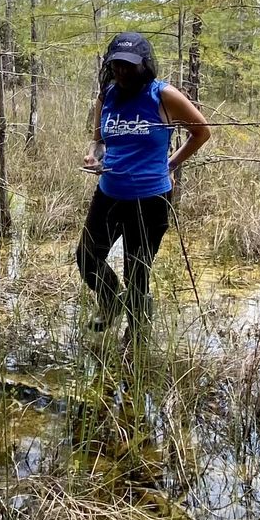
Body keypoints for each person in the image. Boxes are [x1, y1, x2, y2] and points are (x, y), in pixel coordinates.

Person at [77, 32, 211, 334]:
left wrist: (172, 163)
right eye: (117, 65)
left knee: (137, 271)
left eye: (130, 65)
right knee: (87, 257)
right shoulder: (106, 96)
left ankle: (136, 340)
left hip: (149, 200)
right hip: (109, 194)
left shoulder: (163, 95)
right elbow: (98, 141)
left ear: (144, 65)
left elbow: (201, 132)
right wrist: (92, 156)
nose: (123, 71)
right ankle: (110, 301)